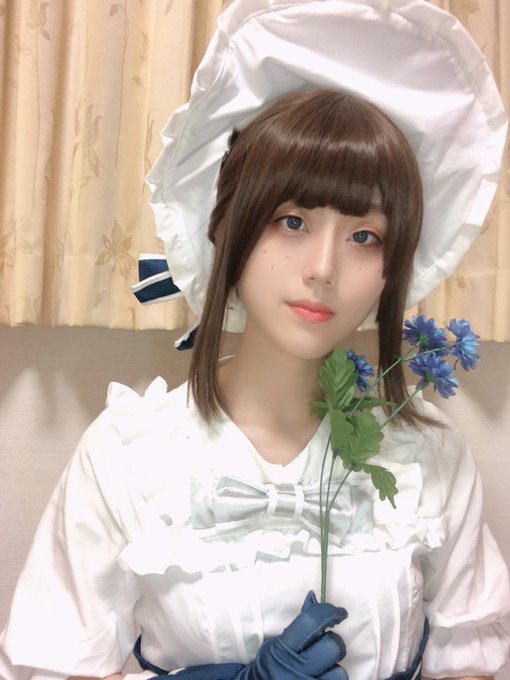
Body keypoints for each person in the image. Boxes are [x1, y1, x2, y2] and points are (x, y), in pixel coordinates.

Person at [1, 1, 509, 679]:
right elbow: (51, 663)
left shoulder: (430, 456)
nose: (323, 268)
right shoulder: (130, 456)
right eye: (291, 221)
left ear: (394, 267)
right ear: (227, 230)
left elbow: (470, 660)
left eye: (365, 236)